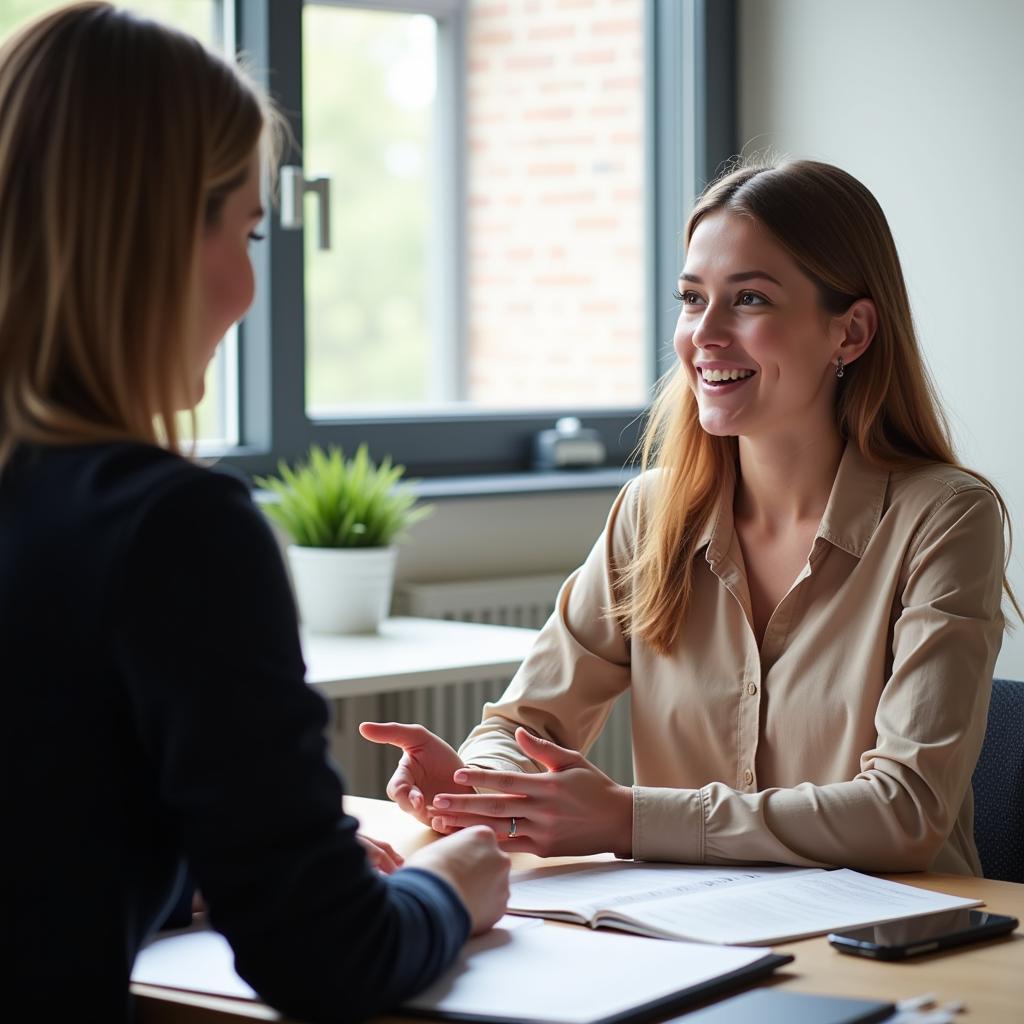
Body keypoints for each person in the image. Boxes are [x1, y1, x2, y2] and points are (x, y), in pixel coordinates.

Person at [1, 5, 508, 1022]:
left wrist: (198, 866)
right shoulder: (173, 528)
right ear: (151, 238)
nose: (245, 288)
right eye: (247, 228)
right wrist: (449, 884)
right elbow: (329, 960)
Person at [362, 157, 1017, 877]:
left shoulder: (946, 519)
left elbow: (905, 811)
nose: (704, 334)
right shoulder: (652, 513)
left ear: (851, 332)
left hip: (901, 945)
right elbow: (520, 726)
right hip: (689, 939)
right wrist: (476, 788)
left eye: (751, 300)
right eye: (691, 298)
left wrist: (627, 817)